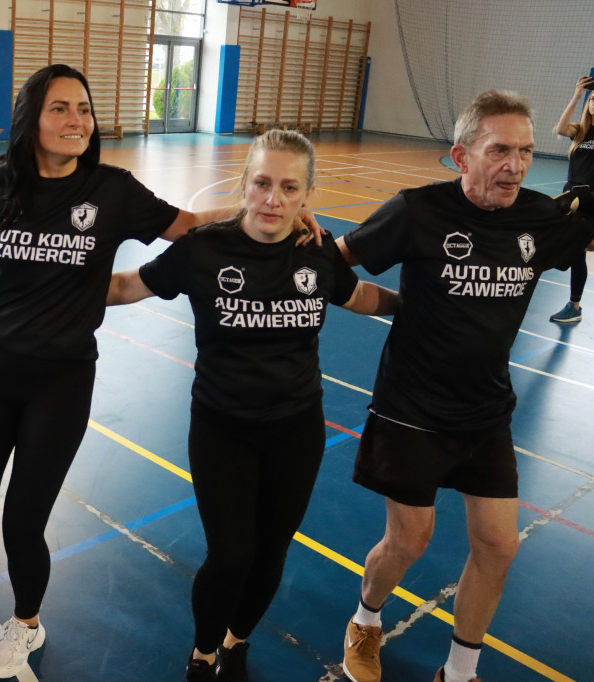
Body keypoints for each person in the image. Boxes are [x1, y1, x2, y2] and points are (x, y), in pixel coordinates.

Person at [0, 64, 319, 682]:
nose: (76, 120)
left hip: (62, 381)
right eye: (61, 108)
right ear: (34, 118)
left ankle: (27, 625)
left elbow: (187, 226)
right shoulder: (6, 182)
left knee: (24, 521)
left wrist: (264, 208)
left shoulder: (113, 191)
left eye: (83, 109)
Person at [106, 129, 399, 682]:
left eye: (289, 188)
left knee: (271, 552)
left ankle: (237, 639)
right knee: (231, 555)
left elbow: (356, 296)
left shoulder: (316, 250)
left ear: (306, 194)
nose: (273, 200)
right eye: (262, 183)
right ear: (243, 185)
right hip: (222, 428)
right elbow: (127, 286)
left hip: (296, 430)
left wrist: (414, 307)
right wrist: (51, 282)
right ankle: (203, 652)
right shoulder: (204, 249)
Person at [336, 91, 594, 682]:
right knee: (409, 541)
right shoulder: (416, 210)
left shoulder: (538, 217)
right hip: (412, 409)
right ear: (461, 156)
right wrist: (389, 303)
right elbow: (336, 261)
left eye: (527, 151)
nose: (516, 164)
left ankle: (459, 669)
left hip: (486, 412)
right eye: (500, 150)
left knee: (500, 545)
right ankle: (366, 619)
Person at [549, 75, 594, 323]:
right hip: (573, 195)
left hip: (592, 200)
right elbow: (560, 128)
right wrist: (577, 95)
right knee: (573, 251)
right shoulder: (581, 132)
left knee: (578, 249)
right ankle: (574, 307)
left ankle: (575, 306)